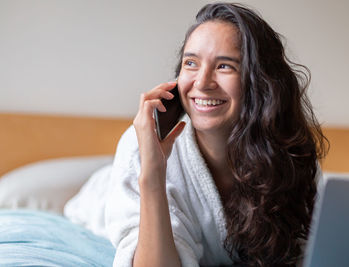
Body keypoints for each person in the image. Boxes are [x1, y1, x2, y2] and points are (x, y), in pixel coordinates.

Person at [65, 2, 328, 267]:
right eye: (191, 63)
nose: (202, 83)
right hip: (97, 201)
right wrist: (152, 173)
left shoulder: (291, 154)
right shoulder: (142, 146)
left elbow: (304, 250)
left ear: (259, 82)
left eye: (225, 66)